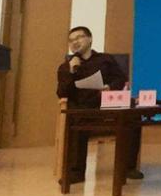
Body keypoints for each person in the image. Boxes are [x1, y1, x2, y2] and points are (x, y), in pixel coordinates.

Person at [55, 26, 142, 184]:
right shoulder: (65, 67)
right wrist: (71, 71)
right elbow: (62, 92)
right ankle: (76, 172)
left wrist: (109, 87)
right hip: (83, 109)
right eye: (71, 40)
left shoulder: (105, 59)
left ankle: (128, 167)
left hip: (107, 106)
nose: (75, 42)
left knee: (133, 116)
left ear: (89, 39)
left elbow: (121, 78)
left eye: (79, 38)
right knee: (74, 114)